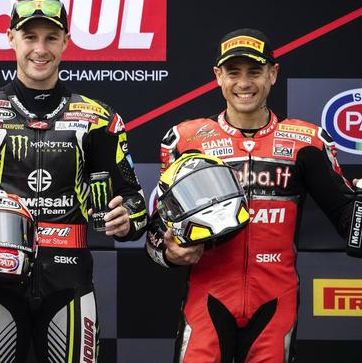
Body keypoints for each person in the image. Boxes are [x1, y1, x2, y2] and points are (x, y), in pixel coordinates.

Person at [0, 0, 148, 362]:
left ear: (66, 42)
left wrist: (127, 220)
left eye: (50, 38)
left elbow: (135, 200)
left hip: (70, 280)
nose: (40, 49)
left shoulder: (99, 120)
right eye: (30, 37)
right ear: (11, 38)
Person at [146, 28, 362, 362]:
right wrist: (168, 252)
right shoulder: (187, 140)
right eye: (233, 72)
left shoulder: (306, 142)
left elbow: (348, 218)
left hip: (275, 298)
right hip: (208, 295)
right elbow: (157, 233)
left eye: (255, 72)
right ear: (218, 76)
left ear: (273, 74)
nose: (244, 83)